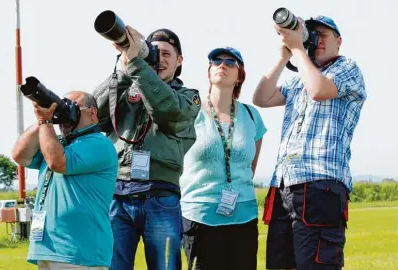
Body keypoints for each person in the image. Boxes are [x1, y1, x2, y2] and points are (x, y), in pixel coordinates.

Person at [253, 15, 367, 270]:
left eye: (323, 35)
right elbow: (261, 97)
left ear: (339, 41)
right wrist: (284, 55)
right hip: (284, 186)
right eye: (312, 36)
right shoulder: (300, 78)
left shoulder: (347, 68)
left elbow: (318, 90)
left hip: (320, 185)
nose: (317, 41)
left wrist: (297, 49)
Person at [93, 26, 201, 270]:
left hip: (160, 194)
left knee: (165, 266)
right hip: (117, 193)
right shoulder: (124, 87)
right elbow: (91, 117)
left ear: (179, 60)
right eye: (154, 53)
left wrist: (137, 67)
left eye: (166, 54)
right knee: (111, 266)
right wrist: (123, 67)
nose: (159, 60)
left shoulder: (189, 97)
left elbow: (169, 112)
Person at [180, 47, 267, 270]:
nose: (222, 65)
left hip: (244, 217)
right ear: (209, 72)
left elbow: (250, 167)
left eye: (230, 63)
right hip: (200, 216)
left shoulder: (251, 115)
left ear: (240, 76)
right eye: (216, 61)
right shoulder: (191, 112)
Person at [12, 91, 118, 270]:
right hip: (49, 248)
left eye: (72, 109)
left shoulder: (99, 144)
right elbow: (20, 155)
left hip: (79, 252)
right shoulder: (56, 142)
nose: (65, 115)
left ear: (92, 113)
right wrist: (42, 121)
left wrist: (46, 123)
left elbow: (57, 162)